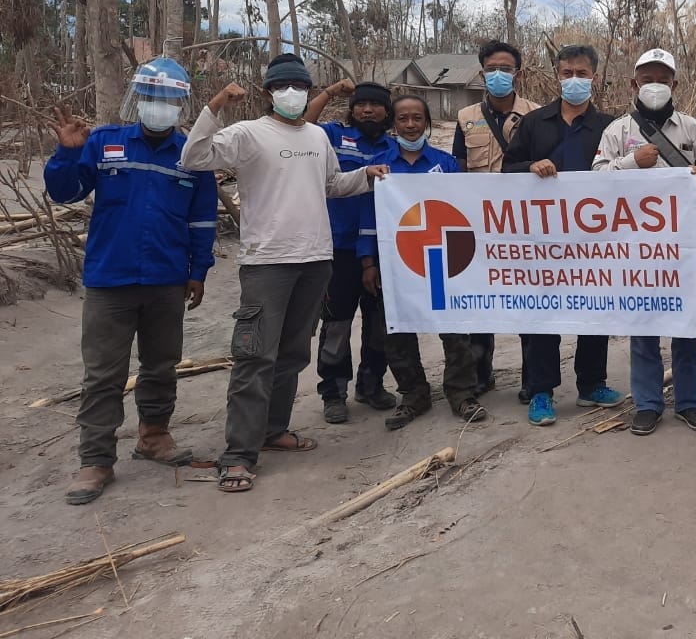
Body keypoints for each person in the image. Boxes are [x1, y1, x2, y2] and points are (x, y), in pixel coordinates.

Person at [180, 54, 388, 493]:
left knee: (292, 355)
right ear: (268, 92)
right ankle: (238, 454)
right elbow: (195, 157)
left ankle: (274, 431)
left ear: (309, 91)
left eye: (300, 85)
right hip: (267, 263)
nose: (292, 92)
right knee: (255, 356)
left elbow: (332, 184)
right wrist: (215, 105)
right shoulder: (248, 133)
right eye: (283, 85)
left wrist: (366, 175)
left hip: (316, 260)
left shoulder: (316, 137)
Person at [44, 58, 217, 505]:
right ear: (138, 99)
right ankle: (96, 460)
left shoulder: (192, 155)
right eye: (152, 97)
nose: (159, 106)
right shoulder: (103, 141)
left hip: (166, 279)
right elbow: (65, 192)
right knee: (103, 373)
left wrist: (198, 271)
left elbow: (201, 221)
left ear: (182, 104)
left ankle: (154, 436)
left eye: (169, 99)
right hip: (110, 279)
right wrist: (67, 152)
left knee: (161, 364)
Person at [592, 48, 696, 437]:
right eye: (647, 79)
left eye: (662, 78)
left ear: (675, 83)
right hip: (636, 242)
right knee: (643, 319)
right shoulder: (617, 131)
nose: (655, 85)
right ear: (634, 83)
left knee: (687, 321)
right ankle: (647, 403)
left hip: (684, 241)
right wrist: (631, 162)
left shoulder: (692, 128)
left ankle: (689, 402)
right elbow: (595, 179)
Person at [502, 44, 623, 426]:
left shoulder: (610, 126)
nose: (574, 80)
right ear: (557, 75)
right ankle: (541, 391)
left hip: (594, 239)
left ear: (595, 78)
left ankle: (592, 384)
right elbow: (509, 169)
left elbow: (625, 175)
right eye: (567, 73)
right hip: (544, 239)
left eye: (582, 74)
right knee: (543, 316)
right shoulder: (535, 123)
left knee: (595, 312)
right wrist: (530, 166)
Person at [359, 94, 486, 428]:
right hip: (396, 264)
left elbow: (464, 211)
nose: (411, 125)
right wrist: (367, 262)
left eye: (417, 118)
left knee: (456, 330)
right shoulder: (380, 167)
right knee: (397, 333)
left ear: (427, 122)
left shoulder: (446, 163)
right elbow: (367, 216)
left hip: (444, 262)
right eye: (403, 119)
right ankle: (414, 395)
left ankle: (461, 394)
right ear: (393, 123)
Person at [302, 79, 398, 424]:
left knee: (380, 323)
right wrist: (328, 92)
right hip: (338, 246)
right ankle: (333, 391)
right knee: (338, 323)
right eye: (360, 104)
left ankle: (371, 385)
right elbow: (301, 123)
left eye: (375, 105)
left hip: (382, 248)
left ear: (388, 112)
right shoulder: (331, 136)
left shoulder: (395, 147)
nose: (367, 110)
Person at [451, 40, 540, 396]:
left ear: (517, 73)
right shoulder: (465, 117)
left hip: (522, 223)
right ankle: (479, 374)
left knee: (528, 301)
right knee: (480, 302)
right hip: (478, 223)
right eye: (492, 68)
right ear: (481, 71)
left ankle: (532, 380)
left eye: (506, 68)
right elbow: (457, 168)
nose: (499, 74)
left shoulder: (536, 113)